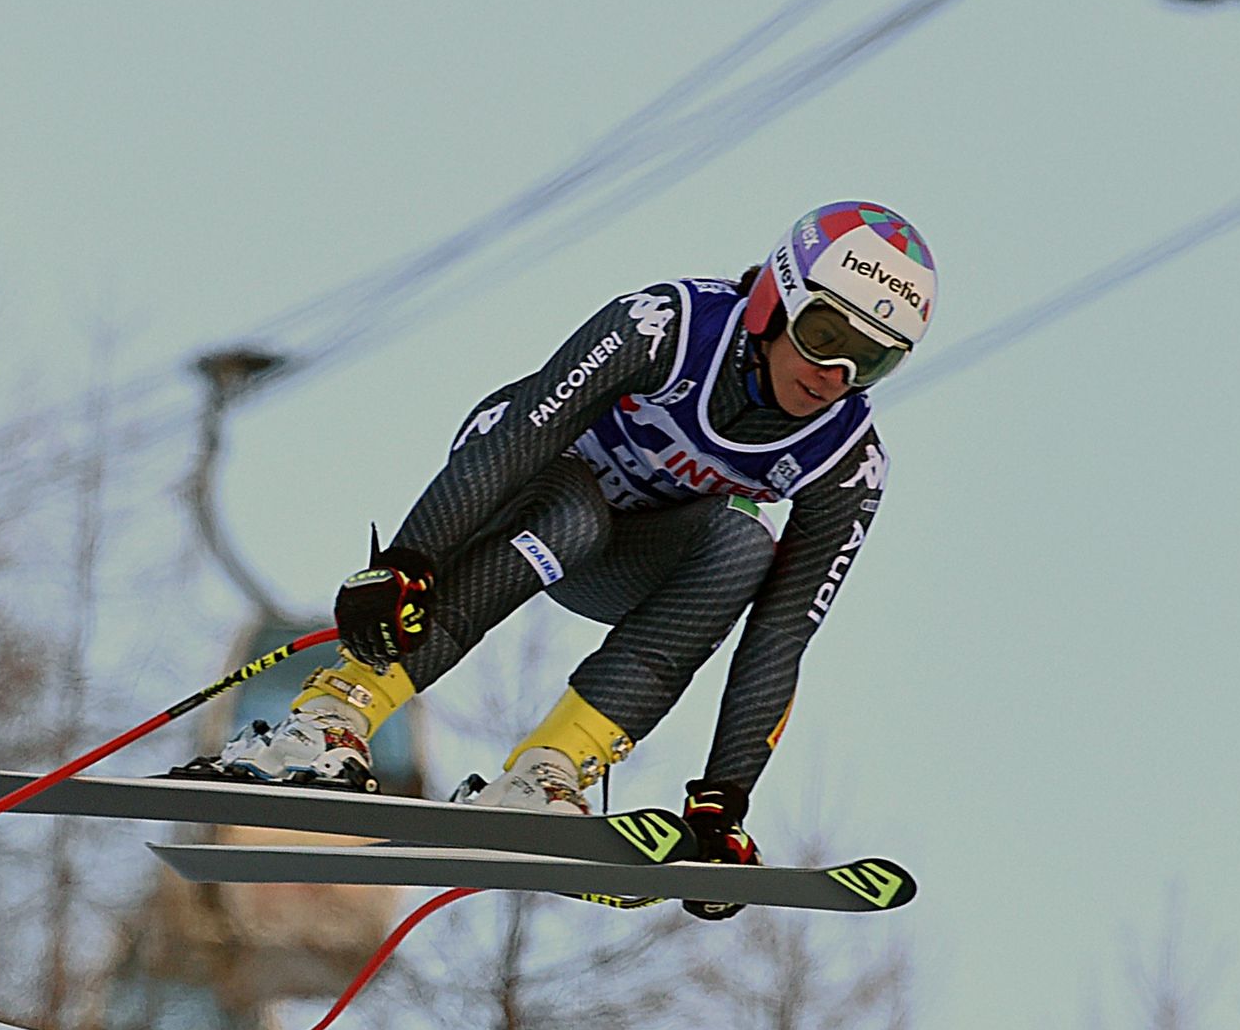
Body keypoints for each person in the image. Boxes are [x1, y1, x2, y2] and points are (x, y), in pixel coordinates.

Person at [215, 201, 936, 918]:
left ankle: (542, 776)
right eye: (823, 335)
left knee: (744, 545)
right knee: (573, 515)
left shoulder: (847, 459)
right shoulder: (670, 327)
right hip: (516, 482)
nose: (834, 372)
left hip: (626, 555)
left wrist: (724, 800)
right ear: (774, 302)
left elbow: (781, 638)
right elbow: (527, 432)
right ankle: (331, 717)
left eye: (871, 360)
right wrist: (410, 558)